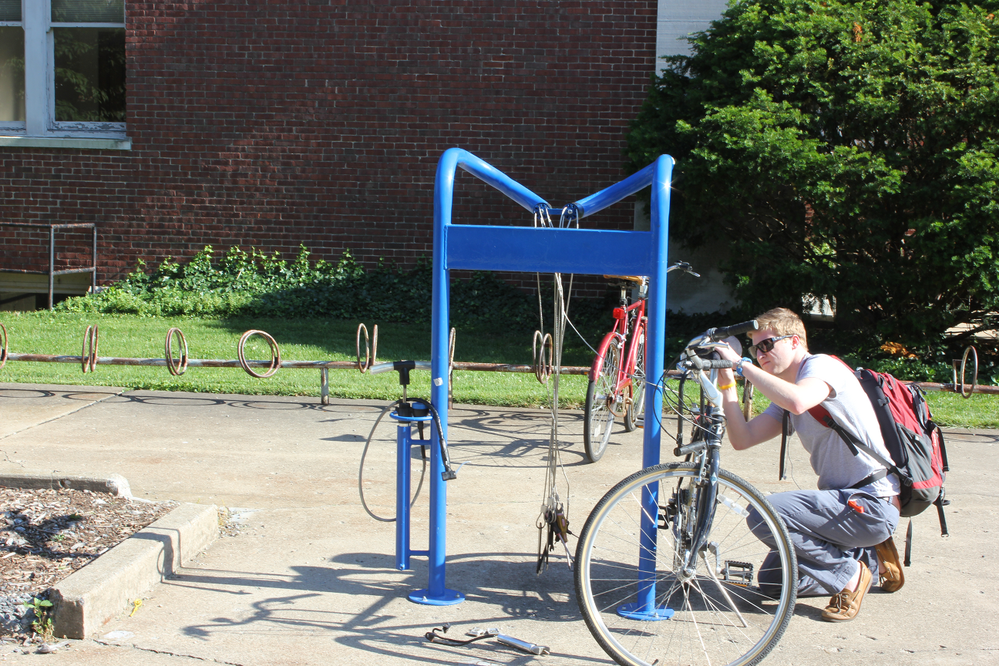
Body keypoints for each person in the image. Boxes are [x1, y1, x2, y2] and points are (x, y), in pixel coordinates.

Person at [714, 307, 903, 622]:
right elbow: (743, 438)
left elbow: (799, 400)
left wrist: (741, 364)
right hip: (843, 505)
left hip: (870, 502)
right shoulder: (785, 394)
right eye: (754, 348)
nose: (760, 354)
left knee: (765, 513)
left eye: (767, 345)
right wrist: (727, 385)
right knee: (775, 582)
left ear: (795, 341)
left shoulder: (822, 367)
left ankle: (850, 575)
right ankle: (867, 556)